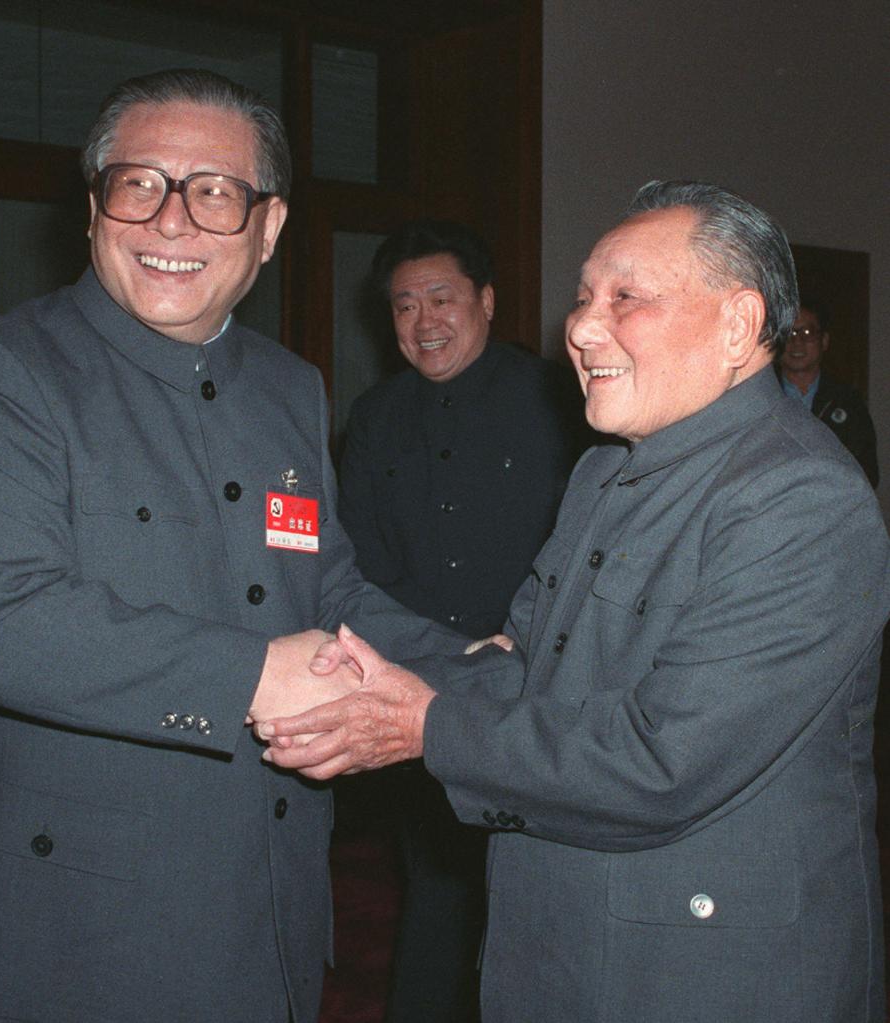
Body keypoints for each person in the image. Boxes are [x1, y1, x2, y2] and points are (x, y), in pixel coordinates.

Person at [0, 68, 468, 1023]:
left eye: (215, 192)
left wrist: (469, 663)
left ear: (268, 228)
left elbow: (327, 589)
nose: (172, 221)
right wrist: (257, 677)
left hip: (266, 900)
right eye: (139, 184)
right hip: (67, 921)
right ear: (93, 209)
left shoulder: (289, 387)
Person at [259, 181, 890, 1023]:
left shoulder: (799, 496)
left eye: (625, 298)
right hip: (563, 943)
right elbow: (524, 667)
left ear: (738, 326)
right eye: (585, 297)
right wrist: (376, 674)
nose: (582, 327)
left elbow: (661, 764)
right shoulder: (604, 469)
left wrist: (421, 724)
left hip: (704, 974)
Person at [338, 219, 583, 1023]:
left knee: (535, 896)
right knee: (436, 886)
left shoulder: (558, 400)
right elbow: (360, 558)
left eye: (441, 299)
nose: (423, 321)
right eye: (404, 305)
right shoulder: (374, 417)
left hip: (532, 692)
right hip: (419, 693)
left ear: (485, 300)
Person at [778, 297, 879, 486]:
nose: (797, 341)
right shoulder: (761, 398)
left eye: (807, 332)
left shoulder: (847, 401)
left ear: (824, 341)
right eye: (789, 333)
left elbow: (868, 473)